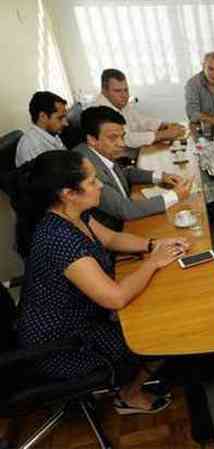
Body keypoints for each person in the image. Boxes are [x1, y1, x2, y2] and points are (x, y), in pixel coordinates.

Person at [14, 150, 191, 414]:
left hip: (84, 317)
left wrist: (153, 244)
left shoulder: (75, 214)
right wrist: (153, 262)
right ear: (68, 193)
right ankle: (128, 394)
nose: (100, 186)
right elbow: (115, 297)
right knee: (159, 331)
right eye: (92, 181)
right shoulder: (58, 238)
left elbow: (110, 239)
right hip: (62, 344)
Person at [73, 106, 192, 231]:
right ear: (92, 139)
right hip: (115, 231)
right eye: (113, 138)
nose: (122, 144)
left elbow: (123, 172)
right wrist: (175, 195)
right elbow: (125, 210)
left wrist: (160, 177)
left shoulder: (97, 152)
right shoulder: (87, 167)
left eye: (122, 136)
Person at [96, 68, 185, 148]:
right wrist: (163, 134)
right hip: (120, 161)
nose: (124, 95)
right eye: (117, 91)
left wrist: (163, 125)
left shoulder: (120, 103)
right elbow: (127, 139)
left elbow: (140, 120)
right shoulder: (100, 111)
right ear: (104, 91)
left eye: (126, 90)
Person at [15, 91, 68, 167]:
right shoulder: (31, 147)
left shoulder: (52, 133)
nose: (66, 123)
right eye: (60, 118)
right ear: (43, 116)